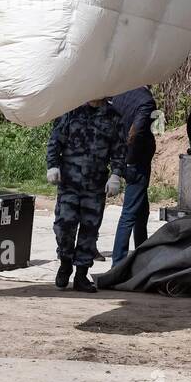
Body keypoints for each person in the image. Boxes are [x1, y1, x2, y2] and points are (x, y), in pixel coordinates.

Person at [46, 97, 126, 293]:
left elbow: (119, 150)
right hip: (69, 182)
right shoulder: (71, 110)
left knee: (89, 230)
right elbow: (55, 140)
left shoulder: (113, 117)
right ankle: (65, 262)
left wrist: (116, 174)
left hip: (96, 184)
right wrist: (53, 165)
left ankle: (81, 274)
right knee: (64, 226)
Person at [110, 86, 156, 266]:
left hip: (124, 158)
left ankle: (141, 251)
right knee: (129, 214)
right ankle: (118, 262)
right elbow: (135, 132)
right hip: (136, 162)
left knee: (142, 211)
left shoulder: (121, 92)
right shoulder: (147, 101)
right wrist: (128, 161)